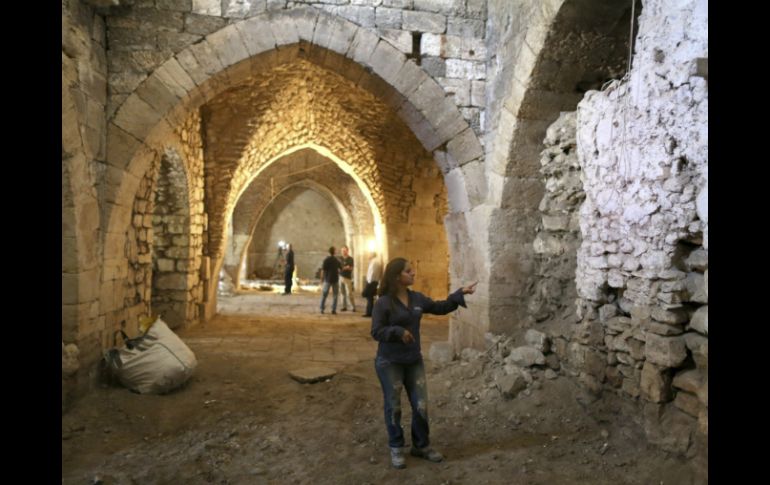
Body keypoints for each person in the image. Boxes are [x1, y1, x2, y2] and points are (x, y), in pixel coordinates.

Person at [370, 257, 477, 469]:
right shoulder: (383, 303)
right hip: (389, 361)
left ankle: (421, 445)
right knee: (394, 406)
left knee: (421, 404)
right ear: (396, 276)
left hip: (413, 360)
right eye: (408, 271)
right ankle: (396, 447)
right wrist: (398, 332)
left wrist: (458, 294)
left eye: (413, 270)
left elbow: (440, 307)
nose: (413, 273)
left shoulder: (417, 299)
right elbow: (376, 331)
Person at [319, 246, 342, 314]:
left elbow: (323, 270)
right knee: (335, 295)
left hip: (327, 279)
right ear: (334, 252)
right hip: (335, 279)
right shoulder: (337, 260)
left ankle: (322, 309)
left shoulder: (326, 260)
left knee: (324, 295)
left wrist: (321, 279)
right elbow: (341, 268)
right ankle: (333, 310)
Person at [362, 252, 382, 317]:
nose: (368, 255)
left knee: (368, 296)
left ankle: (370, 312)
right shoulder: (375, 261)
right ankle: (370, 312)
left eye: (369, 254)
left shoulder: (375, 262)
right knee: (369, 297)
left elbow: (372, 272)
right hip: (373, 281)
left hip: (372, 281)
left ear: (372, 255)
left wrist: (369, 281)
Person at [338, 246, 357, 312]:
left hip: (348, 278)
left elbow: (351, 268)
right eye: (342, 250)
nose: (343, 252)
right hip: (340, 277)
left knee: (349, 293)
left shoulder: (350, 259)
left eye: (345, 250)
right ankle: (344, 306)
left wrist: (343, 268)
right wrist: (346, 267)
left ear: (347, 251)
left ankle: (353, 307)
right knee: (342, 293)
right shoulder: (339, 258)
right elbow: (338, 268)